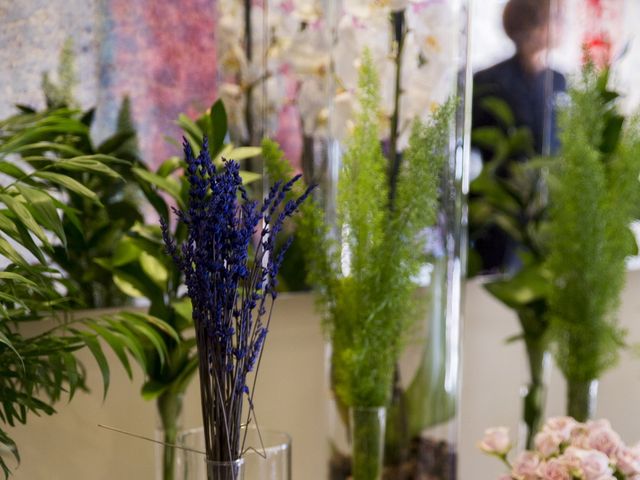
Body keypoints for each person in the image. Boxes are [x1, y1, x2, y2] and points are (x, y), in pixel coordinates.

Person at [471, 0, 566, 273]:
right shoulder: (489, 81)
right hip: (499, 217)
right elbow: (476, 144)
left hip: (548, 217)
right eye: (556, 18)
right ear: (534, 25)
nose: (563, 26)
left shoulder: (560, 82)